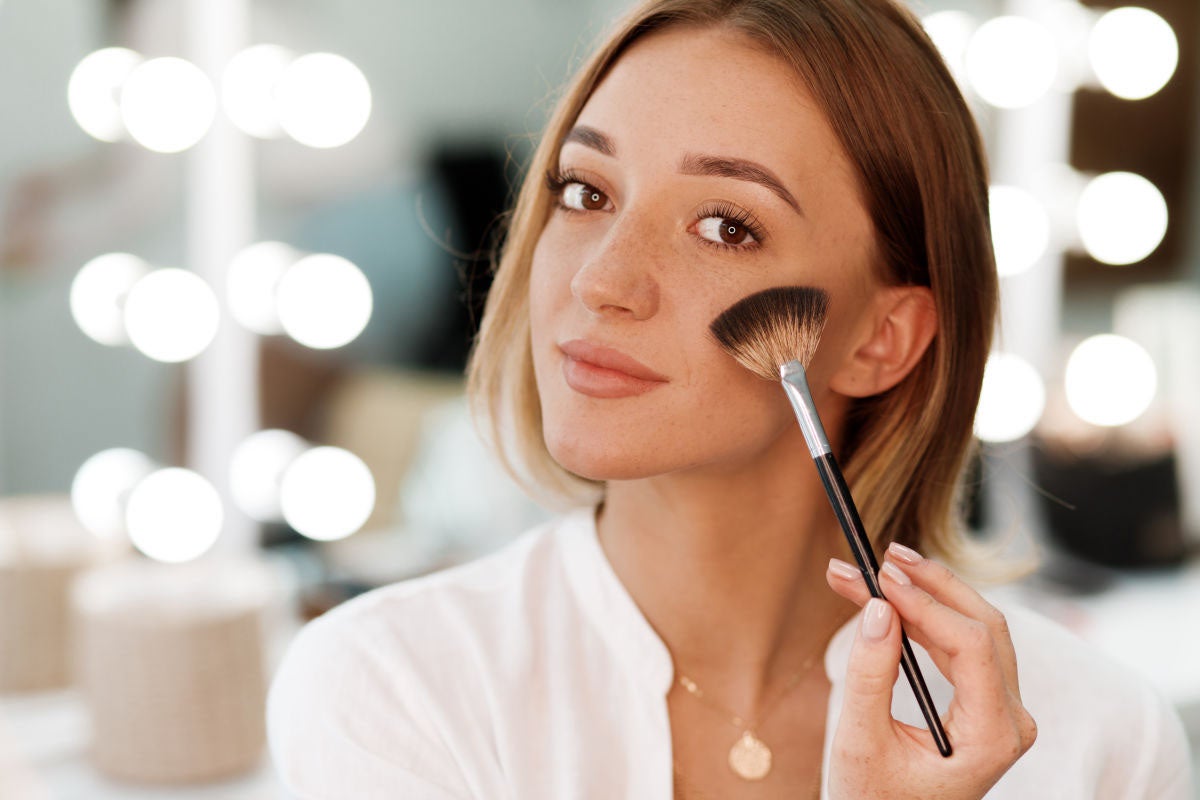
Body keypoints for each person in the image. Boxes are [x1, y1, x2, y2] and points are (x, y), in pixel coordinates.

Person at [266, 1, 1196, 797]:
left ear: (881, 340)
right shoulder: (390, 686)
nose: (603, 279)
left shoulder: (1099, 741)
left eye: (725, 225)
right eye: (586, 192)